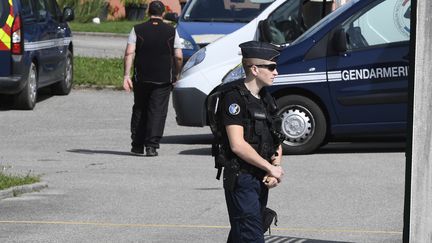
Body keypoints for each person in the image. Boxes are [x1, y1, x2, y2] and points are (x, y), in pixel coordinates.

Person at [219, 41, 285, 242]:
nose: (276, 72)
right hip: (242, 179)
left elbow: (276, 140)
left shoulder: (266, 98)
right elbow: (237, 144)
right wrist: (270, 168)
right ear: (254, 69)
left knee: (243, 235)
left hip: (261, 179)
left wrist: (275, 168)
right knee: (251, 236)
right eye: (271, 67)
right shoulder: (233, 99)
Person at [123, 0, 183, 157]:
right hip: (163, 79)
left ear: (148, 12)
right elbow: (178, 57)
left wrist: (126, 75)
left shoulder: (137, 29)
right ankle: (151, 146)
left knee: (140, 108)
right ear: (163, 13)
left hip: (141, 77)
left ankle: (137, 145)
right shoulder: (172, 31)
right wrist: (177, 74)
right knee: (158, 111)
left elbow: (129, 52)